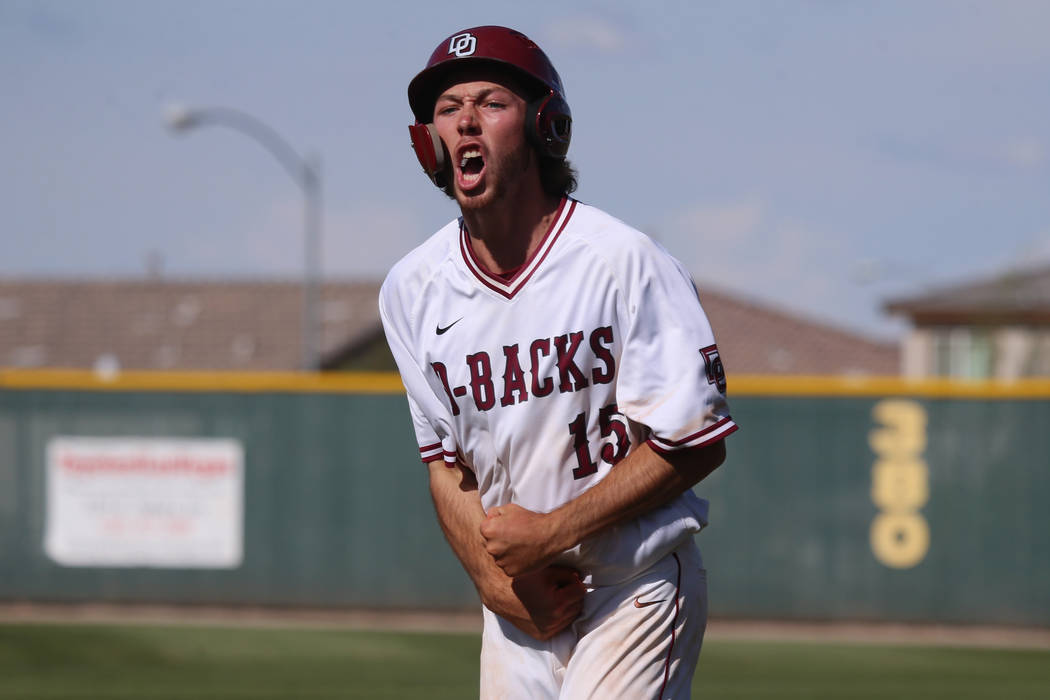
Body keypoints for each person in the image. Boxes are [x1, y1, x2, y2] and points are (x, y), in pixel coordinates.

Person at [379, 25, 738, 699]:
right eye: (447, 109)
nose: (464, 122)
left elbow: (695, 442)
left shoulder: (621, 260)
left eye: (490, 102)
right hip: (520, 605)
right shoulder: (412, 287)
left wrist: (551, 533)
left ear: (545, 124)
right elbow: (444, 466)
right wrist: (494, 582)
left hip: (632, 585)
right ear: (428, 141)